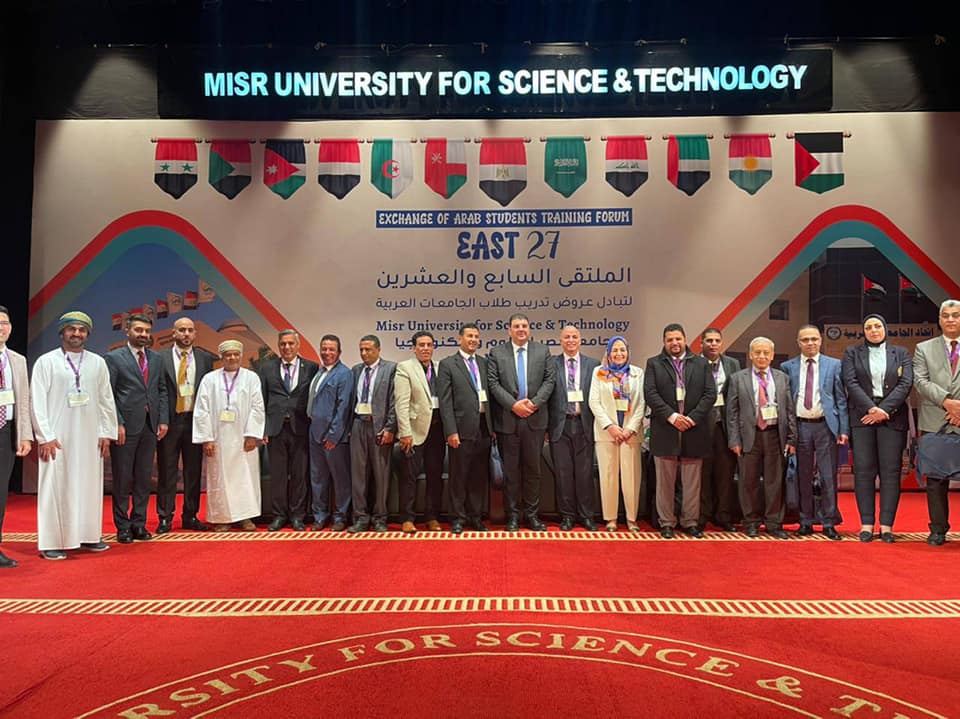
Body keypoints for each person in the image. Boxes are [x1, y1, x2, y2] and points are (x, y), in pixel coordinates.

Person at [32, 311, 118, 560]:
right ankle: (52, 542)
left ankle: (89, 536)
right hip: (57, 438)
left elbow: (106, 399)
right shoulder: (46, 362)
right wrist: (45, 436)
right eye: (72, 329)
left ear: (87, 334)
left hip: (90, 437)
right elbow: (37, 401)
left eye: (82, 329)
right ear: (62, 332)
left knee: (89, 485)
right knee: (55, 486)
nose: (77, 333)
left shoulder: (97, 362)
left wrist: (106, 432)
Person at [841, 314, 913, 543]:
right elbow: (850, 382)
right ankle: (866, 525)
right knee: (863, 471)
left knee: (891, 472)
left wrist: (883, 410)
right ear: (863, 331)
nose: (873, 330)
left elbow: (906, 383)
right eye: (869, 327)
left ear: (885, 328)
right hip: (862, 417)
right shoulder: (852, 353)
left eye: (878, 326)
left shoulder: (901, 353)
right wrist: (872, 409)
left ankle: (886, 526)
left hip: (892, 417)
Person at [643, 323, 716, 538]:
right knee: (664, 482)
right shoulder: (654, 364)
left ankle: (690, 521)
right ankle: (666, 522)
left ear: (685, 339)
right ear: (664, 342)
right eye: (670, 340)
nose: (674, 343)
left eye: (678, 339)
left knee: (692, 482)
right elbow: (650, 393)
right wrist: (673, 417)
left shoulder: (701, 364)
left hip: (694, 429)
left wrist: (692, 418)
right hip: (666, 429)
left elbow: (710, 394)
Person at [487, 313, 557, 531]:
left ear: (529, 329)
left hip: (535, 420)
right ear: (509, 330)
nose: (521, 329)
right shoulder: (497, 352)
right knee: (511, 472)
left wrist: (533, 404)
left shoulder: (542, 351)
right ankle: (513, 516)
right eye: (516, 326)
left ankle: (532, 515)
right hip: (508, 420)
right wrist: (513, 405)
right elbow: (493, 383)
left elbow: (550, 380)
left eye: (524, 325)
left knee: (533, 471)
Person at [105, 313, 168, 543]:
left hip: (150, 426)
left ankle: (139, 524)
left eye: (147, 331)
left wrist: (163, 420)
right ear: (128, 331)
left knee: (143, 478)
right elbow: (108, 394)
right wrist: (117, 422)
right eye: (138, 330)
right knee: (123, 479)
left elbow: (161, 390)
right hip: (125, 428)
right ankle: (122, 526)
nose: (143, 334)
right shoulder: (114, 358)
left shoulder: (156, 358)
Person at [726, 337, 797, 539]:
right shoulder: (738, 378)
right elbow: (732, 413)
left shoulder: (782, 378)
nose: (762, 356)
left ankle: (774, 523)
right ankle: (751, 522)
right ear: (750, 355)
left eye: (766, 352)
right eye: (757, 352)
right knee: (748, 482)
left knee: (774, 482)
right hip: (749, 436)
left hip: (775, 435)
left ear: (772, 355)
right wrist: (734, 440)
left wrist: (792, 439)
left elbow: (789, 410)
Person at [781, 325, 847, 540]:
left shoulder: (834, 365)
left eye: (814, 339)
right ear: (798, 342)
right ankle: (805, 521)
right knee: (803, 476)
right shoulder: (787, 367)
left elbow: (841, 399)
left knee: (828, 476)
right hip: (799, 427)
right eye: (805, 339)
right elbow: (785, 402)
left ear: (820, 340)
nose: (810, 343)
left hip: (826, 426)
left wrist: (843, 429)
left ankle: (829, 522)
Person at [192, 339, 265, 532]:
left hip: (244, 439)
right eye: (228, 354)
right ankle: (222, 518)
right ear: (221, 357)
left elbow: (258, 408)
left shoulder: (251, 378)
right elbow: (201, 410)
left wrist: (252, 435)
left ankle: (245, 517)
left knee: (245, 477)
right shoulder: (210, 379)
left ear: (241, 355)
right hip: (218, 440)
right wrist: (207, 438)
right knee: (220, 478)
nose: (232, 357)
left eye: (235, 354)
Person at [156, 316, 214, 533]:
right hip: (169, 422)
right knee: (167, 471)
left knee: (193, 471)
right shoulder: (160, 358)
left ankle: (190, 515)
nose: (186, 334)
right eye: (182, 330)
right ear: (174, 333)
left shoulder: (205, 358)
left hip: (195, 422)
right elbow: (158, 390)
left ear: (195, 333)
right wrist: (161, 420)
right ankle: (165, 517)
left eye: (190, 330)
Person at [437, 323, 493, 534]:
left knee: (478, 476)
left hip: (484, 427)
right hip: (460, 430)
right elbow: (445, 401)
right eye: (469, 336)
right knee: (459, 476)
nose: (473, 340)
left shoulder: (484, 363)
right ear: (459, 338)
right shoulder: (448, 364)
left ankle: (476, 517)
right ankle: (458, 518)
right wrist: (451, 431)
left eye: (476, 337)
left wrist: (493, 427)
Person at [260, 329, 318, 532]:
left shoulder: (311, 368)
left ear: (298, 345)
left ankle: (297, 516)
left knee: (299, 475)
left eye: (291, 343)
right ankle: (279, 515)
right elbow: (261, 400)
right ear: (278, 346)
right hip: (275, 429)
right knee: (278, 475)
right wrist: (263, 428)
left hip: (301, 428)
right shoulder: (267, 368)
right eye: (283, 344)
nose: (287, 347)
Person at [913, 299, 960, 546]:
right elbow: (920, 381)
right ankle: (938, 529)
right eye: (946, 315)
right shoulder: (923, 348)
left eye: (956, 315)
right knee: (935, 479)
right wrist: (947, 402)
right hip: (935, 422)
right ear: (939, 319)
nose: (951, 319)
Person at [589, 336, 645, 532]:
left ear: (628, 352)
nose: (619, 354)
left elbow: (642, 404)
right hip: (607, 434)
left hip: (631, 434)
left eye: (622, 350)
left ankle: (631, 518)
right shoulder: (599, 372)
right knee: (608, 476)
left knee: (631, 477)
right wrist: (610, 426)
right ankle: (611, 518)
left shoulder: (638, 373)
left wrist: (630, 428)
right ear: (608, 353)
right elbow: (594, 402)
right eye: (615, 350)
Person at [547, 325, 600, 531]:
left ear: (580, 340)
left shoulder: (593, 365)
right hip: (559, 426)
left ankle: (586, 516)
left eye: (574, 337)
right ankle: (567, 516)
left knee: (585, 473)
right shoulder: (551, 364)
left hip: (584, 424)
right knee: (563, 474)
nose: (570, 340)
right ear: (560, 341)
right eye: (567, 337)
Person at [394, 330, 445, 533]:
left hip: (438, 430)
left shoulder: (440, 367)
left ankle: (432, 517)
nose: (425, 348)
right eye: (421, 345)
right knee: (409, 476)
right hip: (414, 431)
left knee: (435, 475)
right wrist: (404, 432)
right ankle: (407, 518)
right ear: (414, 348)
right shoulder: (405, 367)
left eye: (429, 345)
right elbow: (401, 403)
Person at [348, 334, 397, 533]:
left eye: (368, 349)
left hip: (379, 427)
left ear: (378, 350)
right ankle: (360, 518)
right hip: (358, 425)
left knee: (381, 475)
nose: (364, 353)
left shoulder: (390, 369)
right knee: (358, 475)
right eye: (361, 349)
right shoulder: (356, 370)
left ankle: (380, 518)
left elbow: (394, 401)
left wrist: (390, 428)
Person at [307, 334, 354, 531]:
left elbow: (344, 407)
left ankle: (341, 517)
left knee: (340, 479)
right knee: (318, 478)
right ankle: (320, 516)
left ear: (339, 352)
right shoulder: (319, 372)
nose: (327, 353)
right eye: (324, 349)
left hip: (334, 437)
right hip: (314, 434)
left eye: (331, 349)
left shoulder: (344, 374)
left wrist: (334, 435)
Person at [698, 327, 742, 532]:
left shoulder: (733, 364)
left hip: (725, 427)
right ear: (701, 343)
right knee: (702, 475)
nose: (713, 344)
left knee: (725, 475)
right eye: (709, 340)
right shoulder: (693, 364)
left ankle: (723, 516)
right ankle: (701, 515)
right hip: (700, 428)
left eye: (717, 340)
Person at [0, 305, 33, 567]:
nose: (1, 328)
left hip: (7, 432)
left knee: (1, 492)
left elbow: (24, 400)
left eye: (5, 323)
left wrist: (25, 435)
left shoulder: (17, 360)